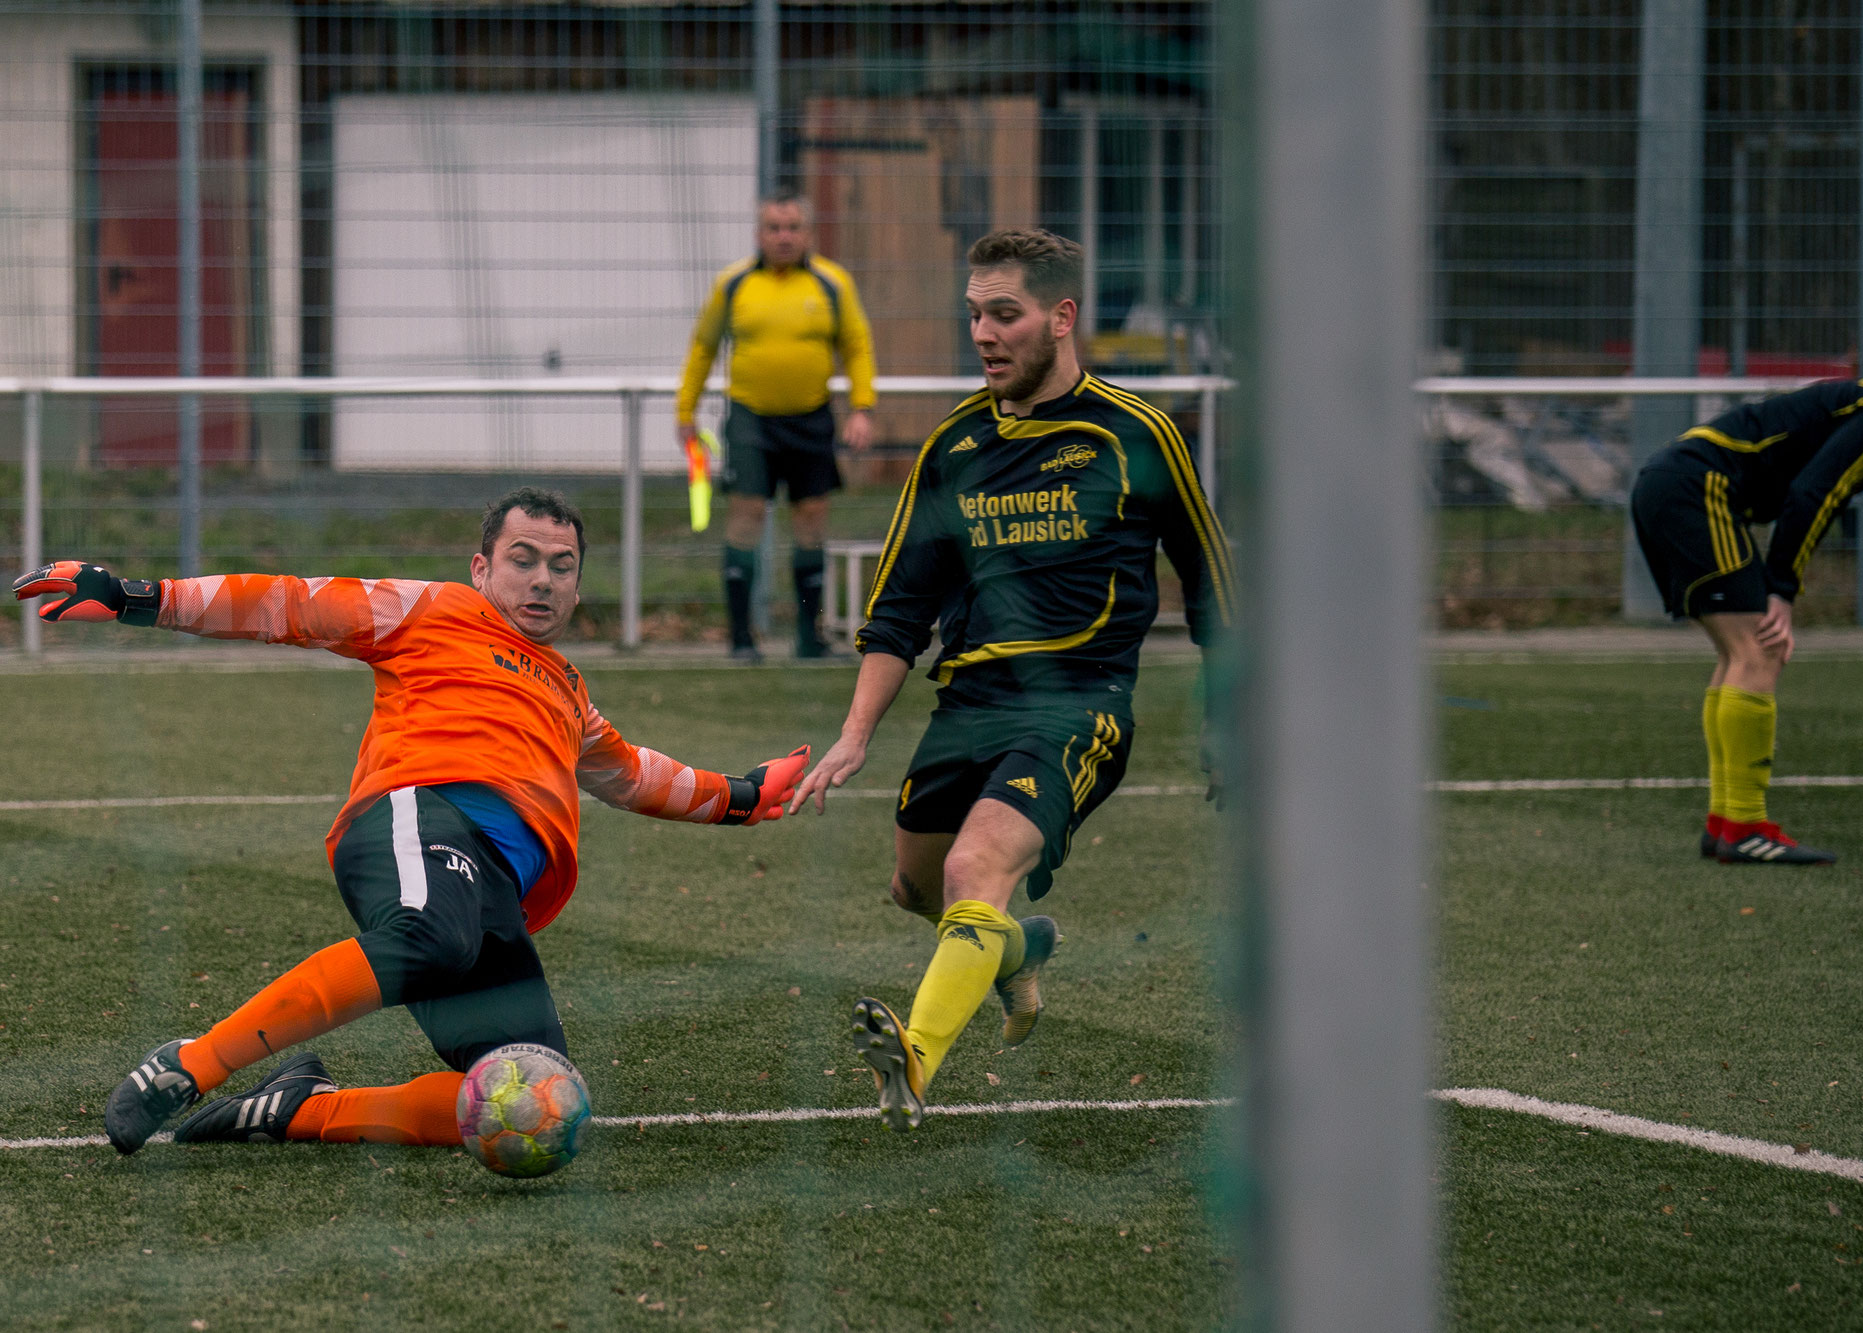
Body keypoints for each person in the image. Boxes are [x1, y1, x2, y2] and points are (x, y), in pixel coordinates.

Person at [11, 486, 809, 1154]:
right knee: (432, 934)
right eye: (523, 560)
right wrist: (137, 598)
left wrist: (743, 794)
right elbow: (292, 604)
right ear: (481, 567)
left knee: (540, 1091)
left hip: (491, 894)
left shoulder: (568, 689)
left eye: (561, 568)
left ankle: (298, 1109)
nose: (542, 581)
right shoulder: (434, 610)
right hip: (418, 814)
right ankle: (192, 1063)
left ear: (578, 585)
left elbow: (633, 773)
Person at [788, 227, 1235, 1131]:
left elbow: (1215, 585)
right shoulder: (952, 448)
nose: (984, 334)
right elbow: (898, 611)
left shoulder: (1137, 435)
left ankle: (914, 1056)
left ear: (1061, 317)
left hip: (1079, 704)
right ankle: (1018, 949)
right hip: (969, 704)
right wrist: (856, 733)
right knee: (918, 888)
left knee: (974, 864)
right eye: (974, 315)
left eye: (1005, 314)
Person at [1630, 380, 1863, 865]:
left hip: (1675, 482)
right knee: (1761, 650)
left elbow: (1816, 488)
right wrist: (1782, 590)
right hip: (1697, 486)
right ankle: (1743, 827)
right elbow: (1815, 492)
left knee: (1738, 654)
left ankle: (1725, 825)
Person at [678, 193, 879, 662]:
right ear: (759, 233)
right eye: (774, 227)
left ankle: (810, 638)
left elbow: (857, 346)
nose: (783, 236)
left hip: (811, 419)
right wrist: (685, 411)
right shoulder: (734, 285)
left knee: (811, 523)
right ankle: (742, 640)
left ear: (808, 233)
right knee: (745, 520)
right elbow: (703, 347)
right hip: (750, 420)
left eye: (793, 227)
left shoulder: (832, 283)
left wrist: (862, 408)